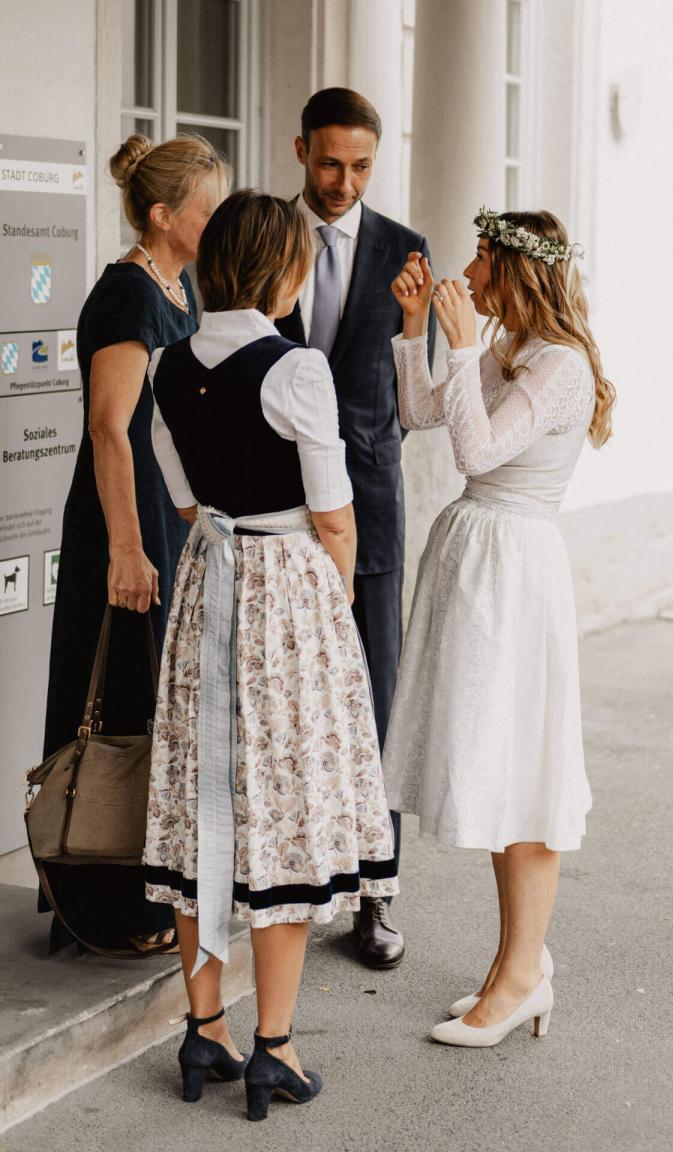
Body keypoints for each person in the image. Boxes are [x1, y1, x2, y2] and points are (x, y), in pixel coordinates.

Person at [143, 190, 398, 1118]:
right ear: (281, 269)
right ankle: (273, 1047)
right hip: (287, 588)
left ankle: (202, 1029)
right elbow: (335, 513)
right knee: (283, 813)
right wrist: (329, 615)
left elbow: (179, 498)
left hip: (211, 577)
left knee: (202, 808)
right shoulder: (297, 369)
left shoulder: (169, 364)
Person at [383, 208, 616, 1046]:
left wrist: (461, 346)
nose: (469, 274)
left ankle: (521, 977)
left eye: (482, 260)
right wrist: (418, 331)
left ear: (519, 270)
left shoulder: (558, 367)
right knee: (494, 771)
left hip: (515, 574)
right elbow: (419, 414)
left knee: (526, 777)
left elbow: (477, 455)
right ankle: (520, 966)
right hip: (478, 566)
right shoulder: (511, 351)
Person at [39, 132, 229, 956]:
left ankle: (145, 895)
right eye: (206, 209)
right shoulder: (128, 296)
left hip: (160, 517)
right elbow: (109, 429)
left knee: (151, 703)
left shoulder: (177, 287)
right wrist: (127, 548)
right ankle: (104, 904)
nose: (216, 223)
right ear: (162, 216)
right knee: (116, 699)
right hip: (122, 525)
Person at [276, 87, 435, 969]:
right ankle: (289, 881)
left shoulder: (404, 248)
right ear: (301, 149)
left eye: (361, 166)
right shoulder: (260, 234)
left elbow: (410, 396)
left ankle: (376, 896)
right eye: (331, 162)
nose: (344, 182)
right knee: (283, 700)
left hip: (369, 507)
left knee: (375, 700)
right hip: (274, 507)